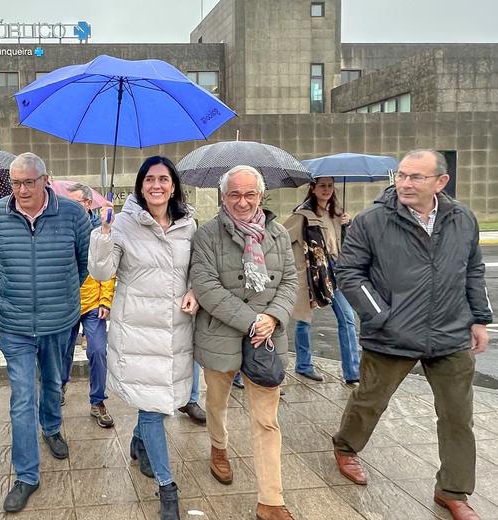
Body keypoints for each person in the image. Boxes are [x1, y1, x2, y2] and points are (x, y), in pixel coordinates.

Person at [332, 150, 492, 520]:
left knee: (457, 416)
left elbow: (473, 270)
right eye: (401, 175)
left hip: (450, 335)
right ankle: (345, 446)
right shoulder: (373, 221)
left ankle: (452, 490)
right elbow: (350, 274)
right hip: (392, 335)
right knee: (370, 401)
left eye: (416, 177)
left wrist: (479, 319)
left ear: (440, 182)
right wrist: (382, 316)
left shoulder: (462, 218)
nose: (405, 183)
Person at [0, 152, 91, 513]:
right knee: (21, 396)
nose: (23, 189)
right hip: (14, 323)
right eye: (16, 182)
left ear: (46, 179)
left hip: (59, 319)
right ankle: (27, 475)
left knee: (54, 381)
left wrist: (60, 296)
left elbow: (83, 264)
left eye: (29, 181)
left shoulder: (73, 215)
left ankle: (52, 426)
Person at [89, 156, 198, 520]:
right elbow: (101, 271)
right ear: (140, 185)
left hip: (176, 331)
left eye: (163, 179)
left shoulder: (188, 224)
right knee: (154, 409)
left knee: (154, 401)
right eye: (149, 179)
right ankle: (168, 488)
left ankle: (138, 444)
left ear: (173, 186)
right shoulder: (122, 223)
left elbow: (199, 269)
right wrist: (103, 233)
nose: (156, 185)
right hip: (138, 329)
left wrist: (195, 290)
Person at [190, 165, 298, 520]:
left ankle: (271, 500)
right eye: (234, 194)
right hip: (221, 338)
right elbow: (206, 287)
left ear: (261, 196)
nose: (242, 201)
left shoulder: (279, 234)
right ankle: (219, 448)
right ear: (223, 197)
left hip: (267, 340)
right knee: (217, 404)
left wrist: (273, 317)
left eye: (249, 194)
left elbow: (290, 284)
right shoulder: (206, 235)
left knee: (267, 421)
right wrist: (252, 320)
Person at [284, 177, 360, 384]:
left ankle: (353, 372)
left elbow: (347, 245)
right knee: (304, 320)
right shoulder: (303, 215)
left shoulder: (338, 214)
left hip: (337, 272)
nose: (326, 190)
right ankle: (304, 365)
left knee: (347, 319)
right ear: (313, 188)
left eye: (330, 186)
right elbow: (282, 239)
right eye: (322, 186)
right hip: (313, 274)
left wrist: (348, 225)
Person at [61, 182, 116, 428]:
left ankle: (97, 400)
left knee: (97, 350)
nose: (71, 207)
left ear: (87, 203)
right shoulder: (60, 228)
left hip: (94, 302)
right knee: (62, 352)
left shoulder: (101, 230)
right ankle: (59, 387)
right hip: (66, 302)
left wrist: (106, 300)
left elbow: (108, 268)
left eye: (76, 203)